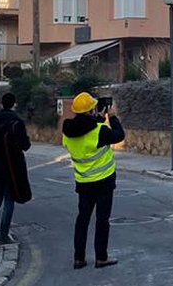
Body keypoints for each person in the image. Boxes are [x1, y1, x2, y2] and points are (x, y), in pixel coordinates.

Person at [62, 92, 124, 270]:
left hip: (83, 183)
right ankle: (101, 257)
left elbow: (83, 129)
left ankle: (79, 258)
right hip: (103, 182)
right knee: (102, 220)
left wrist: (96, 118)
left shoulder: (68, 132)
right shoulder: (100, 131)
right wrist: (111, 117)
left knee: (82, 220)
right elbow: (119, 135)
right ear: (91, 111)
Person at [0, 93, 31, 245]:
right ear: (14, 104)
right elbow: (25, 145)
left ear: (1, 105)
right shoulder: (17, 121)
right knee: (9, 201)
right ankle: (3, 235)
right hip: (12, 167)